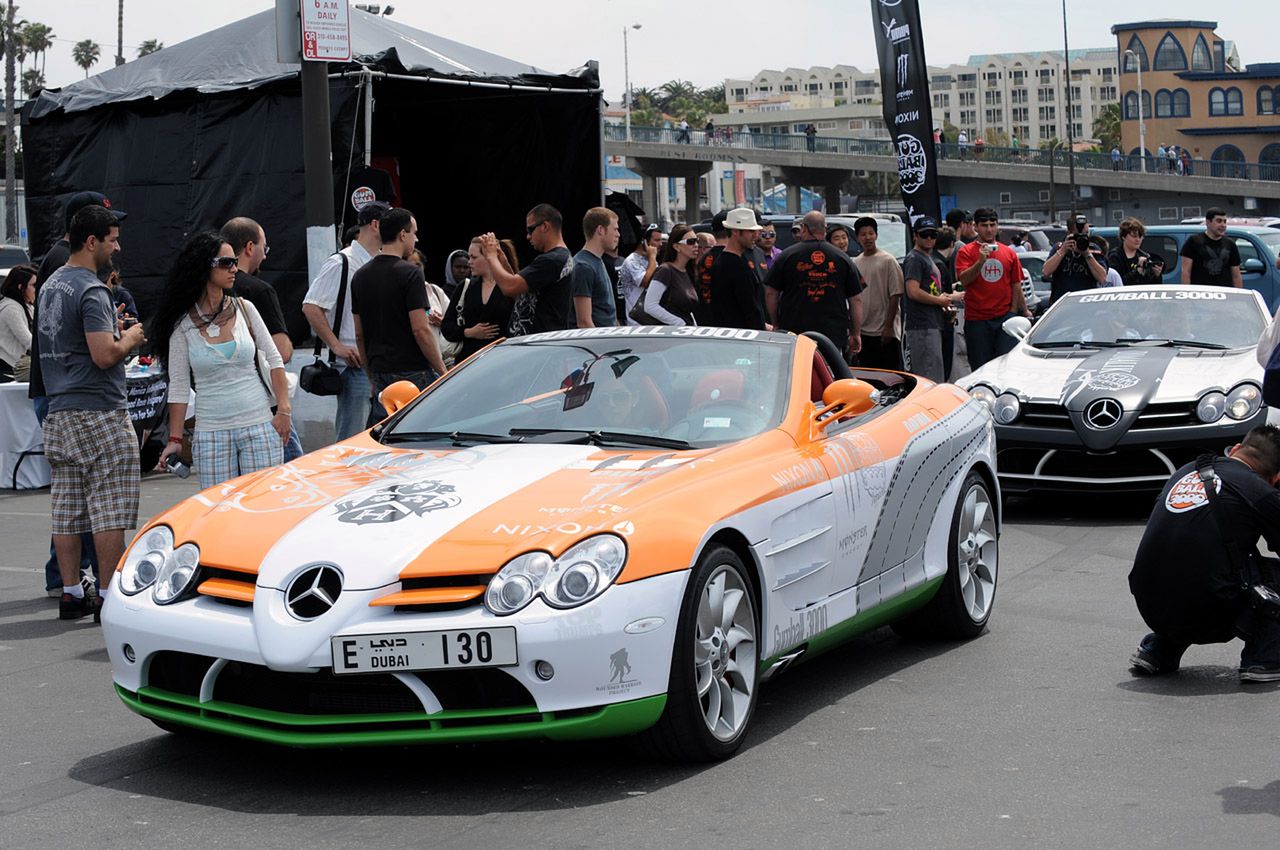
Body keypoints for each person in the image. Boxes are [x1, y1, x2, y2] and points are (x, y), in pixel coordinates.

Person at [35, 204, 147, 621]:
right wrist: (130, 336)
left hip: (60, 410)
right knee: (109, 509)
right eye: (112, 239)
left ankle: (69, 592)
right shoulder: (92, 288)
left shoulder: (49, 286)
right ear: (91, 241)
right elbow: (104, 355)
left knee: (66, 507)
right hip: (98, 410)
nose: (116, 247)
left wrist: (109, 328)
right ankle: (106, 596)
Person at [1128, 427, 1280, 683]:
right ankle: (1264, 659)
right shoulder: (1259, 489)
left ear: (1234, 449)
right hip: (1209, 609)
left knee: (1197, 560)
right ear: (1276, 477)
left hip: (1147, 602)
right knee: (1265, 574)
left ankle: (1159, 649)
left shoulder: (1185, 471)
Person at [153, 231, 290, 489]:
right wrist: (175, 438)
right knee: (219, 512)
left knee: (264, 508)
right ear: (203, 267)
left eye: (235, 261)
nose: (234, 269)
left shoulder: (245, 309)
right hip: (211, 432)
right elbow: (180, 387)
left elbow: (275, 360)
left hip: (258, 425)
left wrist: (284, 411)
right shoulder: (182, 326)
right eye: (226, 263)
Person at [350, 207, 448, 424]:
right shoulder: (411, 273)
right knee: (424, 432)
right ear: (403, 235)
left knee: (384, 434)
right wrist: (442, 371)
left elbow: (359, 334)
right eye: (414, 232)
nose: (416, 238)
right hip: (413, 372)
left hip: (379, 372)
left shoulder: (359, 276)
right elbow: (420, 329)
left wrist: (370, 374)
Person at [302, 200, 388, 441]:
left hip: (379, 361)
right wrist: (336, 345)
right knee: (352, 437)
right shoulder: (342, 262)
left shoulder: (379, 261)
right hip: (353, 364)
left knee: (378, 437)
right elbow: (311, 306)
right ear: (375, 224)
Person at [220, 216, 301, 460]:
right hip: (264, 401)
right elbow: (281, 352)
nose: (265, 256)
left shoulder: (210, 294)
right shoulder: (258, 291)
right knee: (289, 476)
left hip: (223, 405)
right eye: (263, 248)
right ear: (249, 247)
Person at [764, 210, 864, 360]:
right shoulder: (842, 258)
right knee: (829, 377)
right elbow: (856, 299)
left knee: (797, 376)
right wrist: (856, 333)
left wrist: (776, 323)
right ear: (825, 228)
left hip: (794, 333)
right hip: (833, 334)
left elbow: (771, 293)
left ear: (804, 228)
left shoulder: (787, 256)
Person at [482, 203, 574, 336]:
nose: (528, 236)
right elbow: (520, 295)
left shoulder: (552, 260)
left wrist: (491, 256)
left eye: (531, 230)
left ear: (545, 226)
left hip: (538, 345)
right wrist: (503, 263)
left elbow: (509, 287)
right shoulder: (560, 257)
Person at [955, 207, 1030, 370]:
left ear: (997, 226)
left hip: (1004, 318)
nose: (989, 229)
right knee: (980, 367)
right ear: (975, 227)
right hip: (977, 319)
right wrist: (980, 261)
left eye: (992, 224)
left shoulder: (1009, 253)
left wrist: (1015, 311)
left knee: (1006, 366)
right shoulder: (965, 252)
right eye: (984, 225)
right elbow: (964, 280)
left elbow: (1016, 284)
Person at [902, 218, 963, 383]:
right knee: (929, 379)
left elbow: (930, 291)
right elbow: (912, 291)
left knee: (936, 374)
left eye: (933, 234)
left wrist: (943, 306)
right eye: (924, 234)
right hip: (922, 326)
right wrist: (939, 301)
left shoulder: (927, 258)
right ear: (915, 236)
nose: (929, 238)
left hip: (933, 323)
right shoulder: (915, 258)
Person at [444, 237, 516, 363]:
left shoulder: (509, 286)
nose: (469, 262)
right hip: (469, 362)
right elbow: (447, 326)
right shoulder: (465, 287)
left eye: (474, 257)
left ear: (489, 258)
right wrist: (468, 332)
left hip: (503, 361)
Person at [852, 216, 905, 370]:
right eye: (863, 234)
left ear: (876, 235)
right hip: (864, 331)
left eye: (871, 233)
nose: (867, 237)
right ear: (857, 237)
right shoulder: (855, 263)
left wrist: (888, 327)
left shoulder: (888, 260)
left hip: (885, 333)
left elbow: (895, 295)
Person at [709, 208, 765, 330]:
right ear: (735, 232)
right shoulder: (732, 265)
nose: (756, 235)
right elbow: (748, 309)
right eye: (750, 231)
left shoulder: (734, 261)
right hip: (742, 338)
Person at [572, 207, 622, 328]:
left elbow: (606, 312)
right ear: (600, 230)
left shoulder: (597, 261)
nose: (618, 234)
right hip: (598, 344)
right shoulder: (583, 267)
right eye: (615, 229)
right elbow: (584, 322)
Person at [1042, 213, 1108, 304]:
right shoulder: (1059, 248)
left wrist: (1087, 254)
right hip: (1062, 304)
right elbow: (1045, 272)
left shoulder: (1094, 250)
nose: (1082, 238)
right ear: (1069, 233)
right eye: (1078, 235)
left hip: (1086, 304)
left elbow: (1102, 278)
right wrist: (1063, 250)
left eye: (1085, 233)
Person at [642, 224, 701, 326]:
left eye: (697, 241)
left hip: (687, 333)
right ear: (676, 247)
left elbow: (687, 310)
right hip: (672, 335)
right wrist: (678, 322)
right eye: (690, 242)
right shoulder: (665, 270)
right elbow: (650, 305)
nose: (696, 245)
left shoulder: (687, 271)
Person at [408, 248, 455, 368]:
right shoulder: (398, 293)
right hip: (411, 365)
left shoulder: (435, 291)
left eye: (418, 265)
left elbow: (454, 320)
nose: (414, 269)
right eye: (409, 265)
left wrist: (442, 321)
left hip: (439, 361)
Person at [1180, 208, 1242, 287]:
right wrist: (1187, 293)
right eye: (1219, 221)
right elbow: (1186, 271)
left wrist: (1237, 294)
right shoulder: (1194, 241)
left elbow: (1236, 275)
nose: (1223, 225)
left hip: (1224, 294)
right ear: (1208, 222)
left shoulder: (1230, 244)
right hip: (1200, 293)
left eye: (1224, 221)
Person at [932, 227, 960, 381]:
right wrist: (957, 296)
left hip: (933, 321)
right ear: (951, 244)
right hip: (942, 321)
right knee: (944, 365)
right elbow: (941, 295)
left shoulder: (931, 259)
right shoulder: (941, 265)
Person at [619, 224, 661, 326]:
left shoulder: (652, 260)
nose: (660, 244)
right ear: (644, 241)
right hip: (636, 323)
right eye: (656, 240)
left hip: (651, 319)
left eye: (660, 240)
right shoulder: (631, 261)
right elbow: (646, 282)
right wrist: (652, 258)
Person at [0, 264, 35, 381]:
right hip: (9, 369)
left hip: (20, 366)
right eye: (34, 285)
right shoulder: (11, 308)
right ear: (20, 287)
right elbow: (29, 341)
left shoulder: (27, 306)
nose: (37, 289)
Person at [1107, 218, 1162, 286]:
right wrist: (1138, 270)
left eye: (1140, 236)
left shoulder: (1145, 256)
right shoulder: (1115, 256)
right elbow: (1117, 282)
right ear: (1123, 236)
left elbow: (1153, 286)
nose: (1138, 239)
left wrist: (1157, 275)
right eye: (1134, 236)